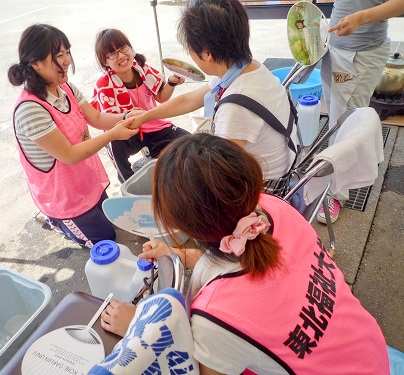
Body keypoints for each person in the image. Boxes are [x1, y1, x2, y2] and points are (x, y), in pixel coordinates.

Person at [100, 133, 390, 375]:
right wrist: (176, 252)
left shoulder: (216, 317)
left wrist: (140, 328)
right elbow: (240, 262)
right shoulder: (270, 210)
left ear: (180, 224)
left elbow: (197, 366)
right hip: (369, 352)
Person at [130, 0, 299, 192]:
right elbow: (189, 100)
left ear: (207, 53)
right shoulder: (244, 68)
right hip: (283, 164)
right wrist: (144, 116)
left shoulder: (236, 106)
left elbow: (222, 174)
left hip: (266, 188)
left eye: (190, 49)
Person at [8, 24, 139, 248]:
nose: (67, 60)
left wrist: (125, 115)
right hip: (63, 196)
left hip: (82, 181)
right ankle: (56, 220)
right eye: (59, 55)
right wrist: (114, 134)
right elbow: (68, 155)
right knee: (106, 241)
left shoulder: (65, 87)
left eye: (67, 52)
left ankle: (72, 220)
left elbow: (96, 117)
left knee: (110, 221)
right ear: (36, 63)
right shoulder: (30, 109)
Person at [319, 0, 404, 224]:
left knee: (346, 124)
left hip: (359, 53)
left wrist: (361, 17)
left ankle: (336, 192)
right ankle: (331, 177)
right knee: (335, 119)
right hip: (335, 45)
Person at [90, 28, 190, 183]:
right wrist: (127, 118)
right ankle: (129, 187)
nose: (121, 56)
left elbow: (161, 97)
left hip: (152, 124)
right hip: (126, 131)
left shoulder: (143, 68)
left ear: (131, 48)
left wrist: (171, 82)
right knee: (113, 143)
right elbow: (106, 120)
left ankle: (158, 157)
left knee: (188, 142)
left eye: (123, 48)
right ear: (105, 61)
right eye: (113, 53)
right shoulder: (104, 84)